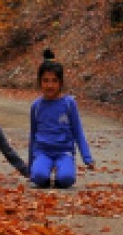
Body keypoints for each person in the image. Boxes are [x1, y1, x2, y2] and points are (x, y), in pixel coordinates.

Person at [29, 49, 95, 188]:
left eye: (54, 81)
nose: (50, 85)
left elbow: (78, 131)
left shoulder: (69, 104)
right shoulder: (36, 106)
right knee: (38, 176)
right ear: (39, 82)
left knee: (66, 179)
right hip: (43, 151)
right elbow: (33, 135)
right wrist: (30, 163)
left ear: (60, 83)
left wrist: (87, 158)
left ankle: (61, 176)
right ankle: (43, 175)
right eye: (45, 81)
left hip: (64, 152)